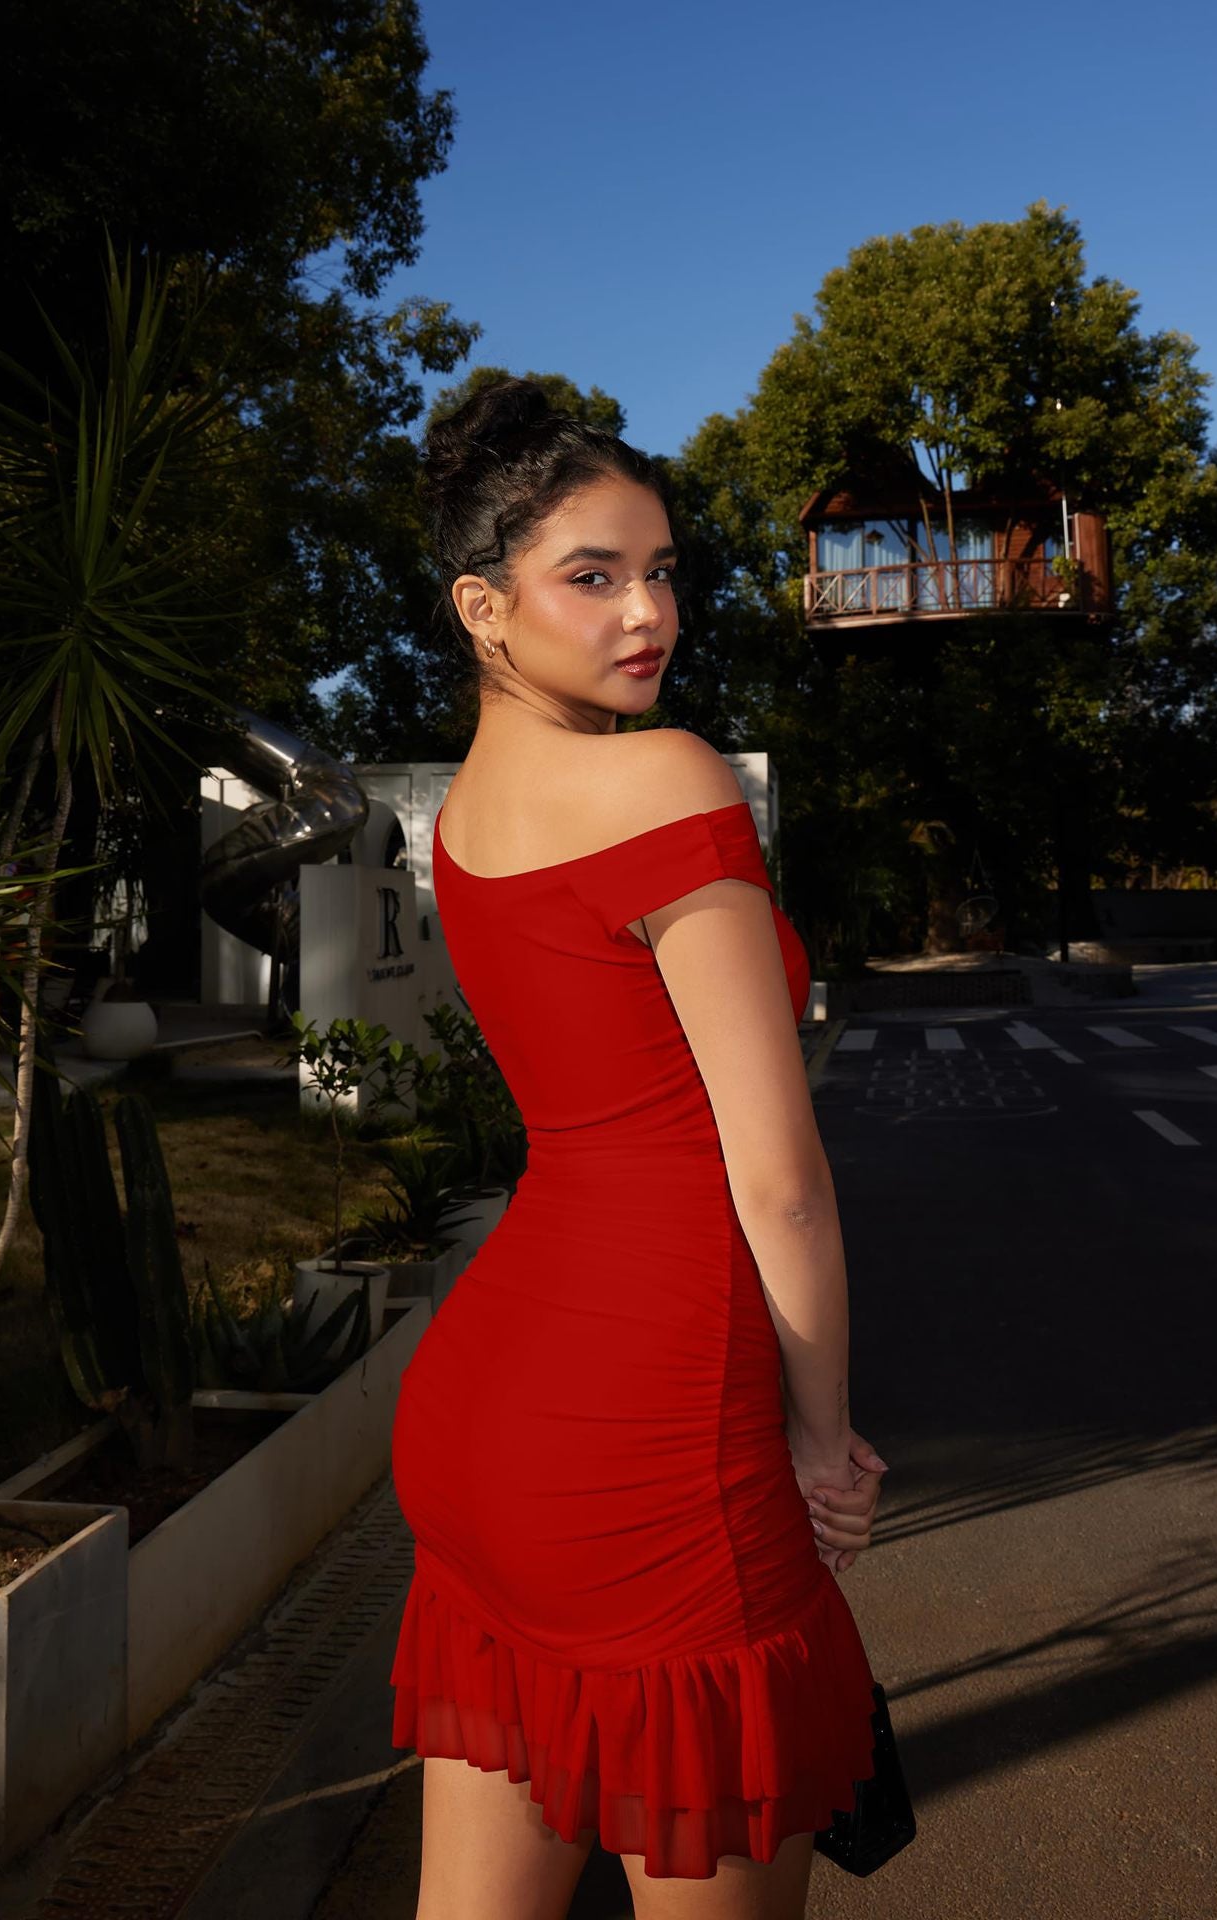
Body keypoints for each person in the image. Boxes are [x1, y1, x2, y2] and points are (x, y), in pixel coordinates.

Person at [388, 378, 889, 1920]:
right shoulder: (664, 778)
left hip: (481, 1426)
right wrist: (824, 1435)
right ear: (484, 607)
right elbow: (780, 1178)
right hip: (649, 1439)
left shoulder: (469, 815)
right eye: (591, 577)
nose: (646, 612)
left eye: (662, 568)